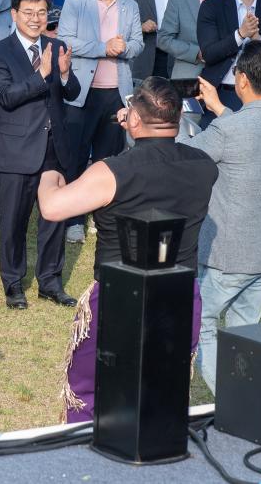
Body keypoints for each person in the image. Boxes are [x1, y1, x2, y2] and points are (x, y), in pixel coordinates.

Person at [36, 77, 216, 422]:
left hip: (119, 296)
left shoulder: (111, 171)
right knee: (162, 383)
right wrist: (135, 131)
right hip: (179, 292)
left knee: (90, 389)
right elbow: (157, 167)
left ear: (133, 118)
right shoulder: (204, 166)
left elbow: (52, 208)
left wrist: (51, 175)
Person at [182, 43, 261, 393]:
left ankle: (234, 401)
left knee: (201, 323)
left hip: (228, 253)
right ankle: (247, 399)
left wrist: (167, 118)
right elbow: (250, 136)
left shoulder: (229, 132)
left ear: (243, 80)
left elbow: (182, 156)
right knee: (245, 330)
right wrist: (221, 110)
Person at [0, 0, 79, 310]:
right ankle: (13, 283)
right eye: (28, 13)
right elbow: (6, 97)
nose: (36, 19)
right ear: (14, 15)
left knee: (55, 216)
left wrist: (65, 74)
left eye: (41, 13)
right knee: (14, 220)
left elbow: (70, 92)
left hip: (55, 147)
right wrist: (41, 74)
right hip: (17, 148)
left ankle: (50, 282)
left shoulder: (57, 45)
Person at [57, 0, 144, 243]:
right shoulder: (75, 1)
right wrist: (103, 48)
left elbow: (138, 44)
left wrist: (124, 48)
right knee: (76, 157)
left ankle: (102, 216)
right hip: (81, 92)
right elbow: (65, 41)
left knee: (108, 159)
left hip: (115, 93)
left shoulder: (129, 6)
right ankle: (73, 219)